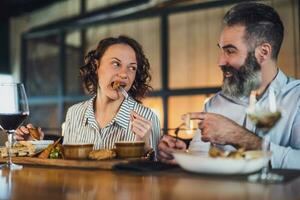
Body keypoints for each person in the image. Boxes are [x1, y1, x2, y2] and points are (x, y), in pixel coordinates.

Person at [158, 2, 300, 169]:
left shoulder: (296, 97)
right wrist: (182, 154)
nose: (220, 61)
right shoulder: (214, 104)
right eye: (221, 50)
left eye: (230, 51)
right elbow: (200, 157)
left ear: (263, 53)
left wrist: (239, 136)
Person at [16, 35, 161, 154]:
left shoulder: (148, 118)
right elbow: (67, 165)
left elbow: (154, 179)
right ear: (96, 66)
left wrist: (145, 146)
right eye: (116, 64)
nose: (124, 74)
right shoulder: (74, 113)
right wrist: (35, 146)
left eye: (132, 68)